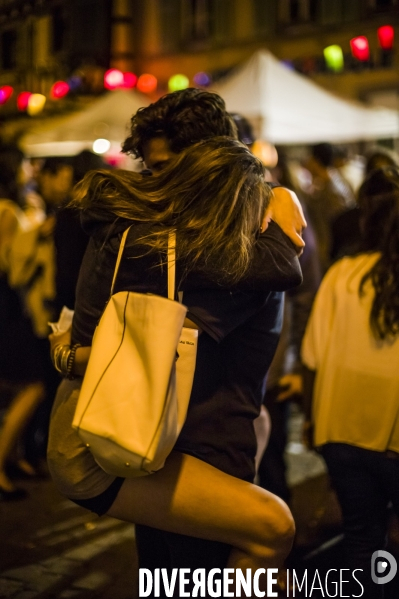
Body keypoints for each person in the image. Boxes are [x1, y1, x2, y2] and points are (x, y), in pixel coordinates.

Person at [301, 166, 399, 598]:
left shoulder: (342, 274)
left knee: (361, 540)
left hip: (339, 430)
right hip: (392, 436)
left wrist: (309, 420)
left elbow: (312, 357)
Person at [0, 145, 46, 499]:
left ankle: (13, 458)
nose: (31, 170)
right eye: (25, 164)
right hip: (7, 305)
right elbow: (14, 266)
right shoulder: (9, 212)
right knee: (33, 384)